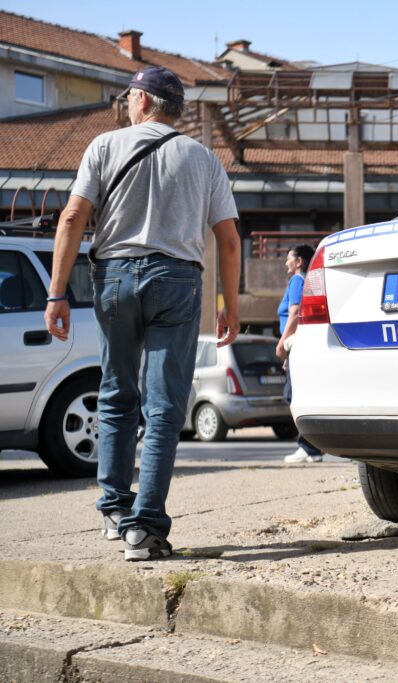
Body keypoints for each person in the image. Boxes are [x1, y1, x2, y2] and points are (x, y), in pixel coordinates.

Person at [44, 66, 241, 561]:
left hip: (112, 278)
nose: (127, 102)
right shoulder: (203, 159)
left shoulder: (104, 147)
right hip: (176, 280)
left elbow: (71, 217)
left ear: (145, 101)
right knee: (164, 407)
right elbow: (229, 239)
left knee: (115, 393)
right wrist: (229, 306)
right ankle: (145, 529)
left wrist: (56, 293)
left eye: (130, 95)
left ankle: (113, 508)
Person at [276, 244, 324, 463]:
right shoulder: (307, 280)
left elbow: (294, 313)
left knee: (293, 394)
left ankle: (309, 447)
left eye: (289, 258)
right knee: (297, 393)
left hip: (295, 344)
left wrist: (282, 342)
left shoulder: (297, 280)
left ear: (299, 262)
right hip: (302, 343)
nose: (286, 262)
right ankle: (313, 448)